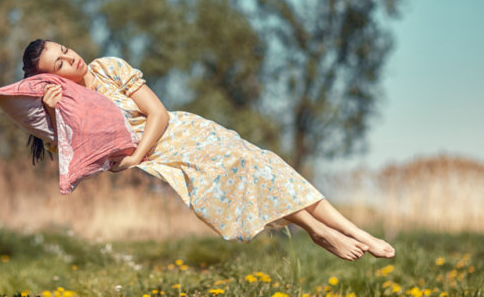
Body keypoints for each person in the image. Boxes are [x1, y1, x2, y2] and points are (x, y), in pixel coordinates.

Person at [20, 38, 395, 261]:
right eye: (61, 63)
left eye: (66, 50)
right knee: (249, 171)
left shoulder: (109, 67)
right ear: (51, 77)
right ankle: (318, 229)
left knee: (261, 162)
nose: (72, 59)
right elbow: (72, 151)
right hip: (165, 159)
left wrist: (136, 156)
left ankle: (349, 232)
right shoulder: (72, 105)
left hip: (181, 132)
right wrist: (53, 114)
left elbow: (159, 113)